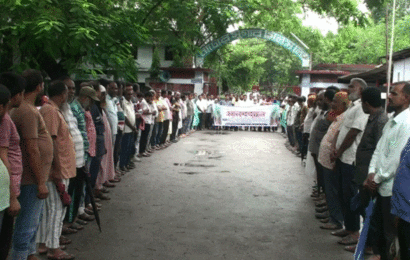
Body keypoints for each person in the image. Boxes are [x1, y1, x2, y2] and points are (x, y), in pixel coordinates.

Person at [10, 69, 53, 260]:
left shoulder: (26, 110)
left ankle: (29, 254)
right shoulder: (26, 111)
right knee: (26, 224)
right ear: (39, 86)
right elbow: (31, 148)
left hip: (32, 177)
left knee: (32, 222)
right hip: (31, 178)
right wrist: (41, 181)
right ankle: (21, 255)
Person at [365, 82, 410, 260]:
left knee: (393, 237)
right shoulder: (393, 121)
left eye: (394, 93)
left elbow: (397, 158)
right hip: (380, 183)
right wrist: (371, 173)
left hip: (392, 188)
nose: (389, 96)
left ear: (406, 98)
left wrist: (377, 178)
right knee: (381, 231)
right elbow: (381, 149)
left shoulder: (406, 124)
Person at [37, 80, 76, 260]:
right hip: (57, 169)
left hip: (58, 167)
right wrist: (57, 168)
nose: (68, 95)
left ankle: (45, 243)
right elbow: (50, 141)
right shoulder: (51, 111)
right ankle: (54, 248)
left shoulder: (51, 110)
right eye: (67, 92)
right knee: (56, 208)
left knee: (50, 208)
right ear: (62, 94)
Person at [331, 78, 369, 246]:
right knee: (343, 194)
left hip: (350, 158)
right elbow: (341, 129)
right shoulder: (352, 107)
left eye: (352, 86)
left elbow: (353, 133)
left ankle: (354, 232)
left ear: (360, 89)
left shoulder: (361, 108)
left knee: (350, 196)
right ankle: (348, 227)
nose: (348, 88)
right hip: (341, 157)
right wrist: (334, 147)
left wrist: (339, 150)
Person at [317, 91, 349, 230]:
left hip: (332, 160)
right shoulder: (337, 115)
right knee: (329, 189)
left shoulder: (344, 118)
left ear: (343, 104)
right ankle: (332, 214)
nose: (332, 104)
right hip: (325, 159)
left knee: (333, 190)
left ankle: (336, 219)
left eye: (335, 101)